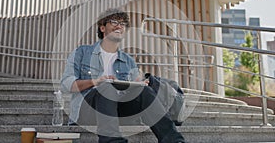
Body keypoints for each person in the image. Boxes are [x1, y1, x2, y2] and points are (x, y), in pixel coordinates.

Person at [61, 8, 185, 143]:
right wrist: (96, 82)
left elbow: (134, 88)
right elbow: (66, 85)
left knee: (144, 90)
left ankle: (174, 140)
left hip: (119, 111)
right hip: (87, 111)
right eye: (114, 22)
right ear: (102, 28)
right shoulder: (82, 52)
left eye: (123, 24)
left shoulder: (128, 60)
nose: (119, 26)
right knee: (107, 88)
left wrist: (140, 83)